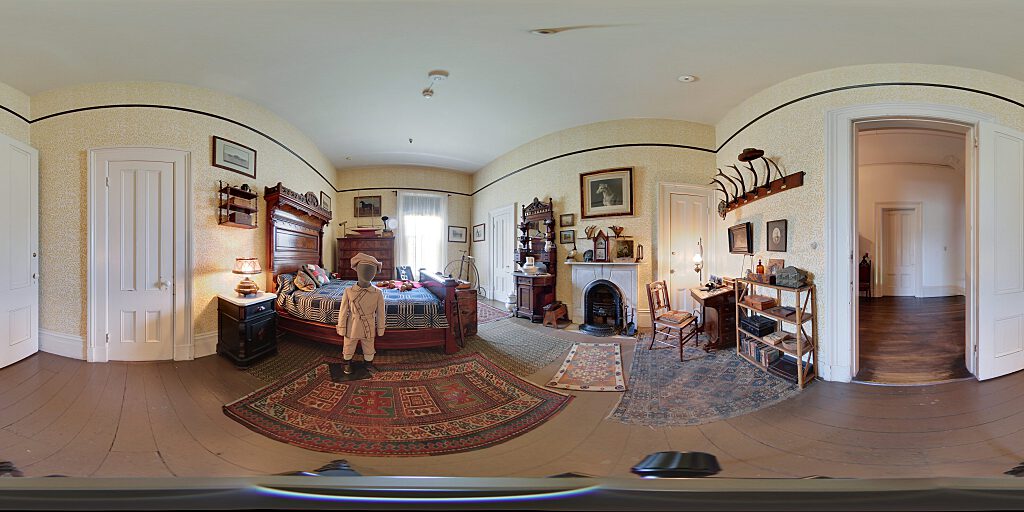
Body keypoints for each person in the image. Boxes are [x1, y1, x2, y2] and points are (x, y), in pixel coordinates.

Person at [336, 252, 387, 374]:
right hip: (352, 324)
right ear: (357, 271)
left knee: (369, 344)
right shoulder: (348, 291)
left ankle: (368, 363)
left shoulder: (378, 293)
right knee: (349, 343)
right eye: (364, 269)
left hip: (368, 323)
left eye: (371, 270)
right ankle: (347, 362)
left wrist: (380, 328)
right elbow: (343, 311)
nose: (368, 273)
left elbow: (381, 314)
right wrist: (342, 327)